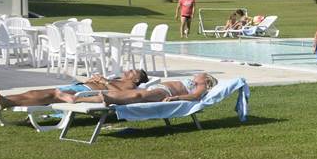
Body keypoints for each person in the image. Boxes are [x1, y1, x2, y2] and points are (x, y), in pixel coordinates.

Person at [0, 69, 149, 108]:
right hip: (79, 87)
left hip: (84, 92)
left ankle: (1, 101)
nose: (129, 70)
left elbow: (120, 94)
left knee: (50, 95)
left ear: (136, 79)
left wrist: (103, 81)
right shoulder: (117, 78)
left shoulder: (130, 84)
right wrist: (97, 79)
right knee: (34, 93)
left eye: (133, 71)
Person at [57, 72, 218, 106]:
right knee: (121, 94)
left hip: (166, 93)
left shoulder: (202, 84)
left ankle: (108, 99)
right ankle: (78, 98)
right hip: (159, 88)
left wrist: (176, 98)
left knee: (138, 96)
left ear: (206, 79)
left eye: (200, 75)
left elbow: (196, 97)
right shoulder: (197, 80)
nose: (197, 75)